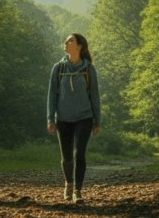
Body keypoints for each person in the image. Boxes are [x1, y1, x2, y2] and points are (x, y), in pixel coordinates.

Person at [46, 33, 101, 204]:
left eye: (70, 40)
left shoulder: (88, 69)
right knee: (67, 157)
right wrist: (50, 118)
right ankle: (68, 184)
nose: (66, 42)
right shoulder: (59, 68)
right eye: (67, 40)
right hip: (63, 118)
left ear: (79, 47)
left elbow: (95, 96)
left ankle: (78, 191)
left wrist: (97, 121)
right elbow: (51, 96)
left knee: (80, 155)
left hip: (85, 118)